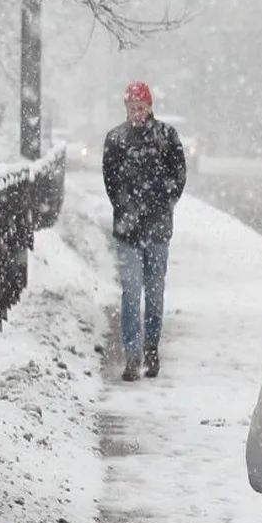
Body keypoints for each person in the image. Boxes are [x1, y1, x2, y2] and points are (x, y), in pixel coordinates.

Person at [102, 81, 187, 381]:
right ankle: (131, 353)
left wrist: (164, 203)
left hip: (158, 229)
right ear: (125, 108)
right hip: (128, 230)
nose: (136, 113)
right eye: (131, 108)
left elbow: (179, 175)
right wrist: (126, 208)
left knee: (154, 292)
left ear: (150, 107)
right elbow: (110, 180)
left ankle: (151, 347)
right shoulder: (116, 139)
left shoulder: (166, 137)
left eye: (141, 107)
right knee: (130, 291)